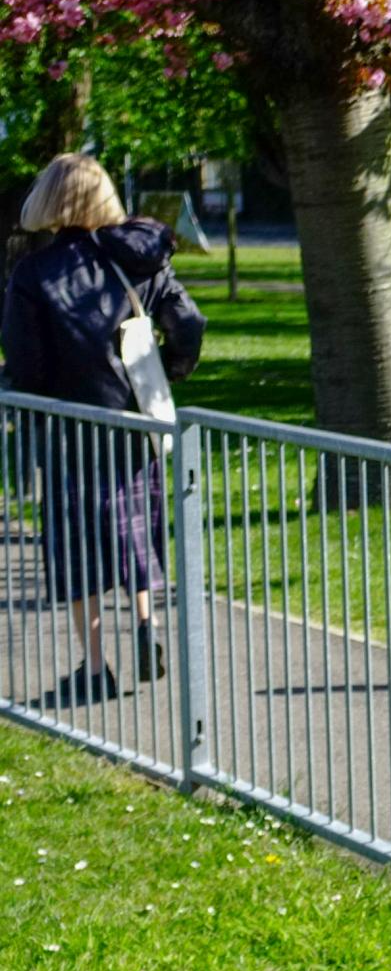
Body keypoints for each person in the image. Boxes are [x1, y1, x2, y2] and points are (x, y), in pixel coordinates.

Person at [2, 154, 204, 705]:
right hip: (135, 422)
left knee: (75, 546)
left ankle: (95, 668)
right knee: (134, 524)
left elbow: (26, 365)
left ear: (47, 199)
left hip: (68, 430)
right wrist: (170, 370)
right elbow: (188, 323)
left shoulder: (33, 273)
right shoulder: (142, 260)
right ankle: (146, 624)